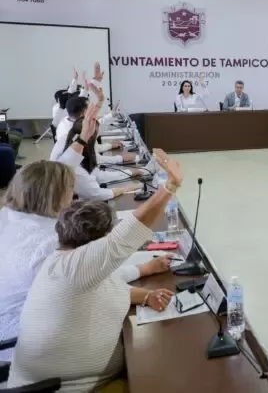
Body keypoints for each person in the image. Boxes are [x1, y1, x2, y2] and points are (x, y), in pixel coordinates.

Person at [7, 150, 182, 392]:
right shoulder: (72, 267)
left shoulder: (64, 263)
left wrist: (145, 292)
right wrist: (170, 185)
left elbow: (101, 287)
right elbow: (129, 234)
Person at [60, 114, 142, 201]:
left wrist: (129, 173)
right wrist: (125, 189)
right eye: (95, 138)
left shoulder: (76, 154)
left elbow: (98, 176)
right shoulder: (76, 168)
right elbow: (97, 194)